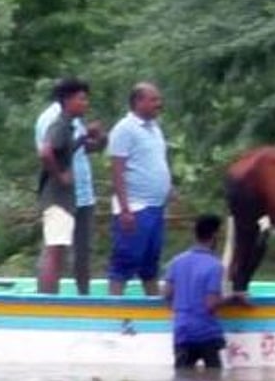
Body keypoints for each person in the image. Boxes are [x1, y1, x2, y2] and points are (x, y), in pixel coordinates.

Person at [33, 79, 107, 295]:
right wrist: (61, 175)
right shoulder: (56, 122)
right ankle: (46, 305)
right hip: (59, 197)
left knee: (81, 252)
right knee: (55, 249)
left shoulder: (73, 123)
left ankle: (83, 300)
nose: (86, 103)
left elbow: (72, 149)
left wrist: (89, 137)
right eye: (81, 99)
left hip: (78, 195)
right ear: (67, 99)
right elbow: (46, 152)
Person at [108, 82, 172, 296]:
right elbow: (117, 170)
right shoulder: (124, 129)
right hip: (135, 207)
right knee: (125, 260)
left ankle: (152, 307)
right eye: (153, 100)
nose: (158, 104)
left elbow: (154, 162)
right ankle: (113, 310)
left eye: (158, 99)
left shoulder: (154, 128)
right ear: (138, 102)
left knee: (150, 262)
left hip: (156, 206)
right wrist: (125, 209)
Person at [163, 214, 247, 369]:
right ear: (214, 236)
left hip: (182, 332)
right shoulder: (214, 266)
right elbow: (211, 304)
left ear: (195, 234)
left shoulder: (176, 261)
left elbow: (167, 294)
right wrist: (234, 298)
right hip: (206, 333)